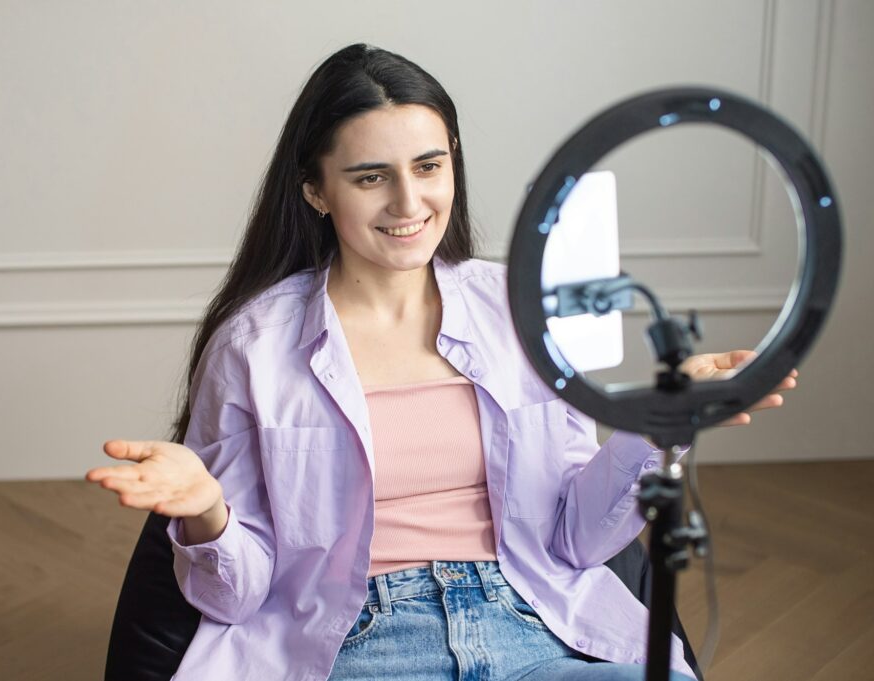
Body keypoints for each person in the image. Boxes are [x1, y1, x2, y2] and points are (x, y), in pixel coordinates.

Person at [87, 44, 795, 681]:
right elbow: (234, 592)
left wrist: (654, 421)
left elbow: (577, 539)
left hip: (534, 624)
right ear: (315, 190)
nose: (409, 202)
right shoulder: (254, 345)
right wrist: (208, 509)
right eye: (371, 178)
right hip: (357, 643)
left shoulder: (518, 312)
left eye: (429, 165)